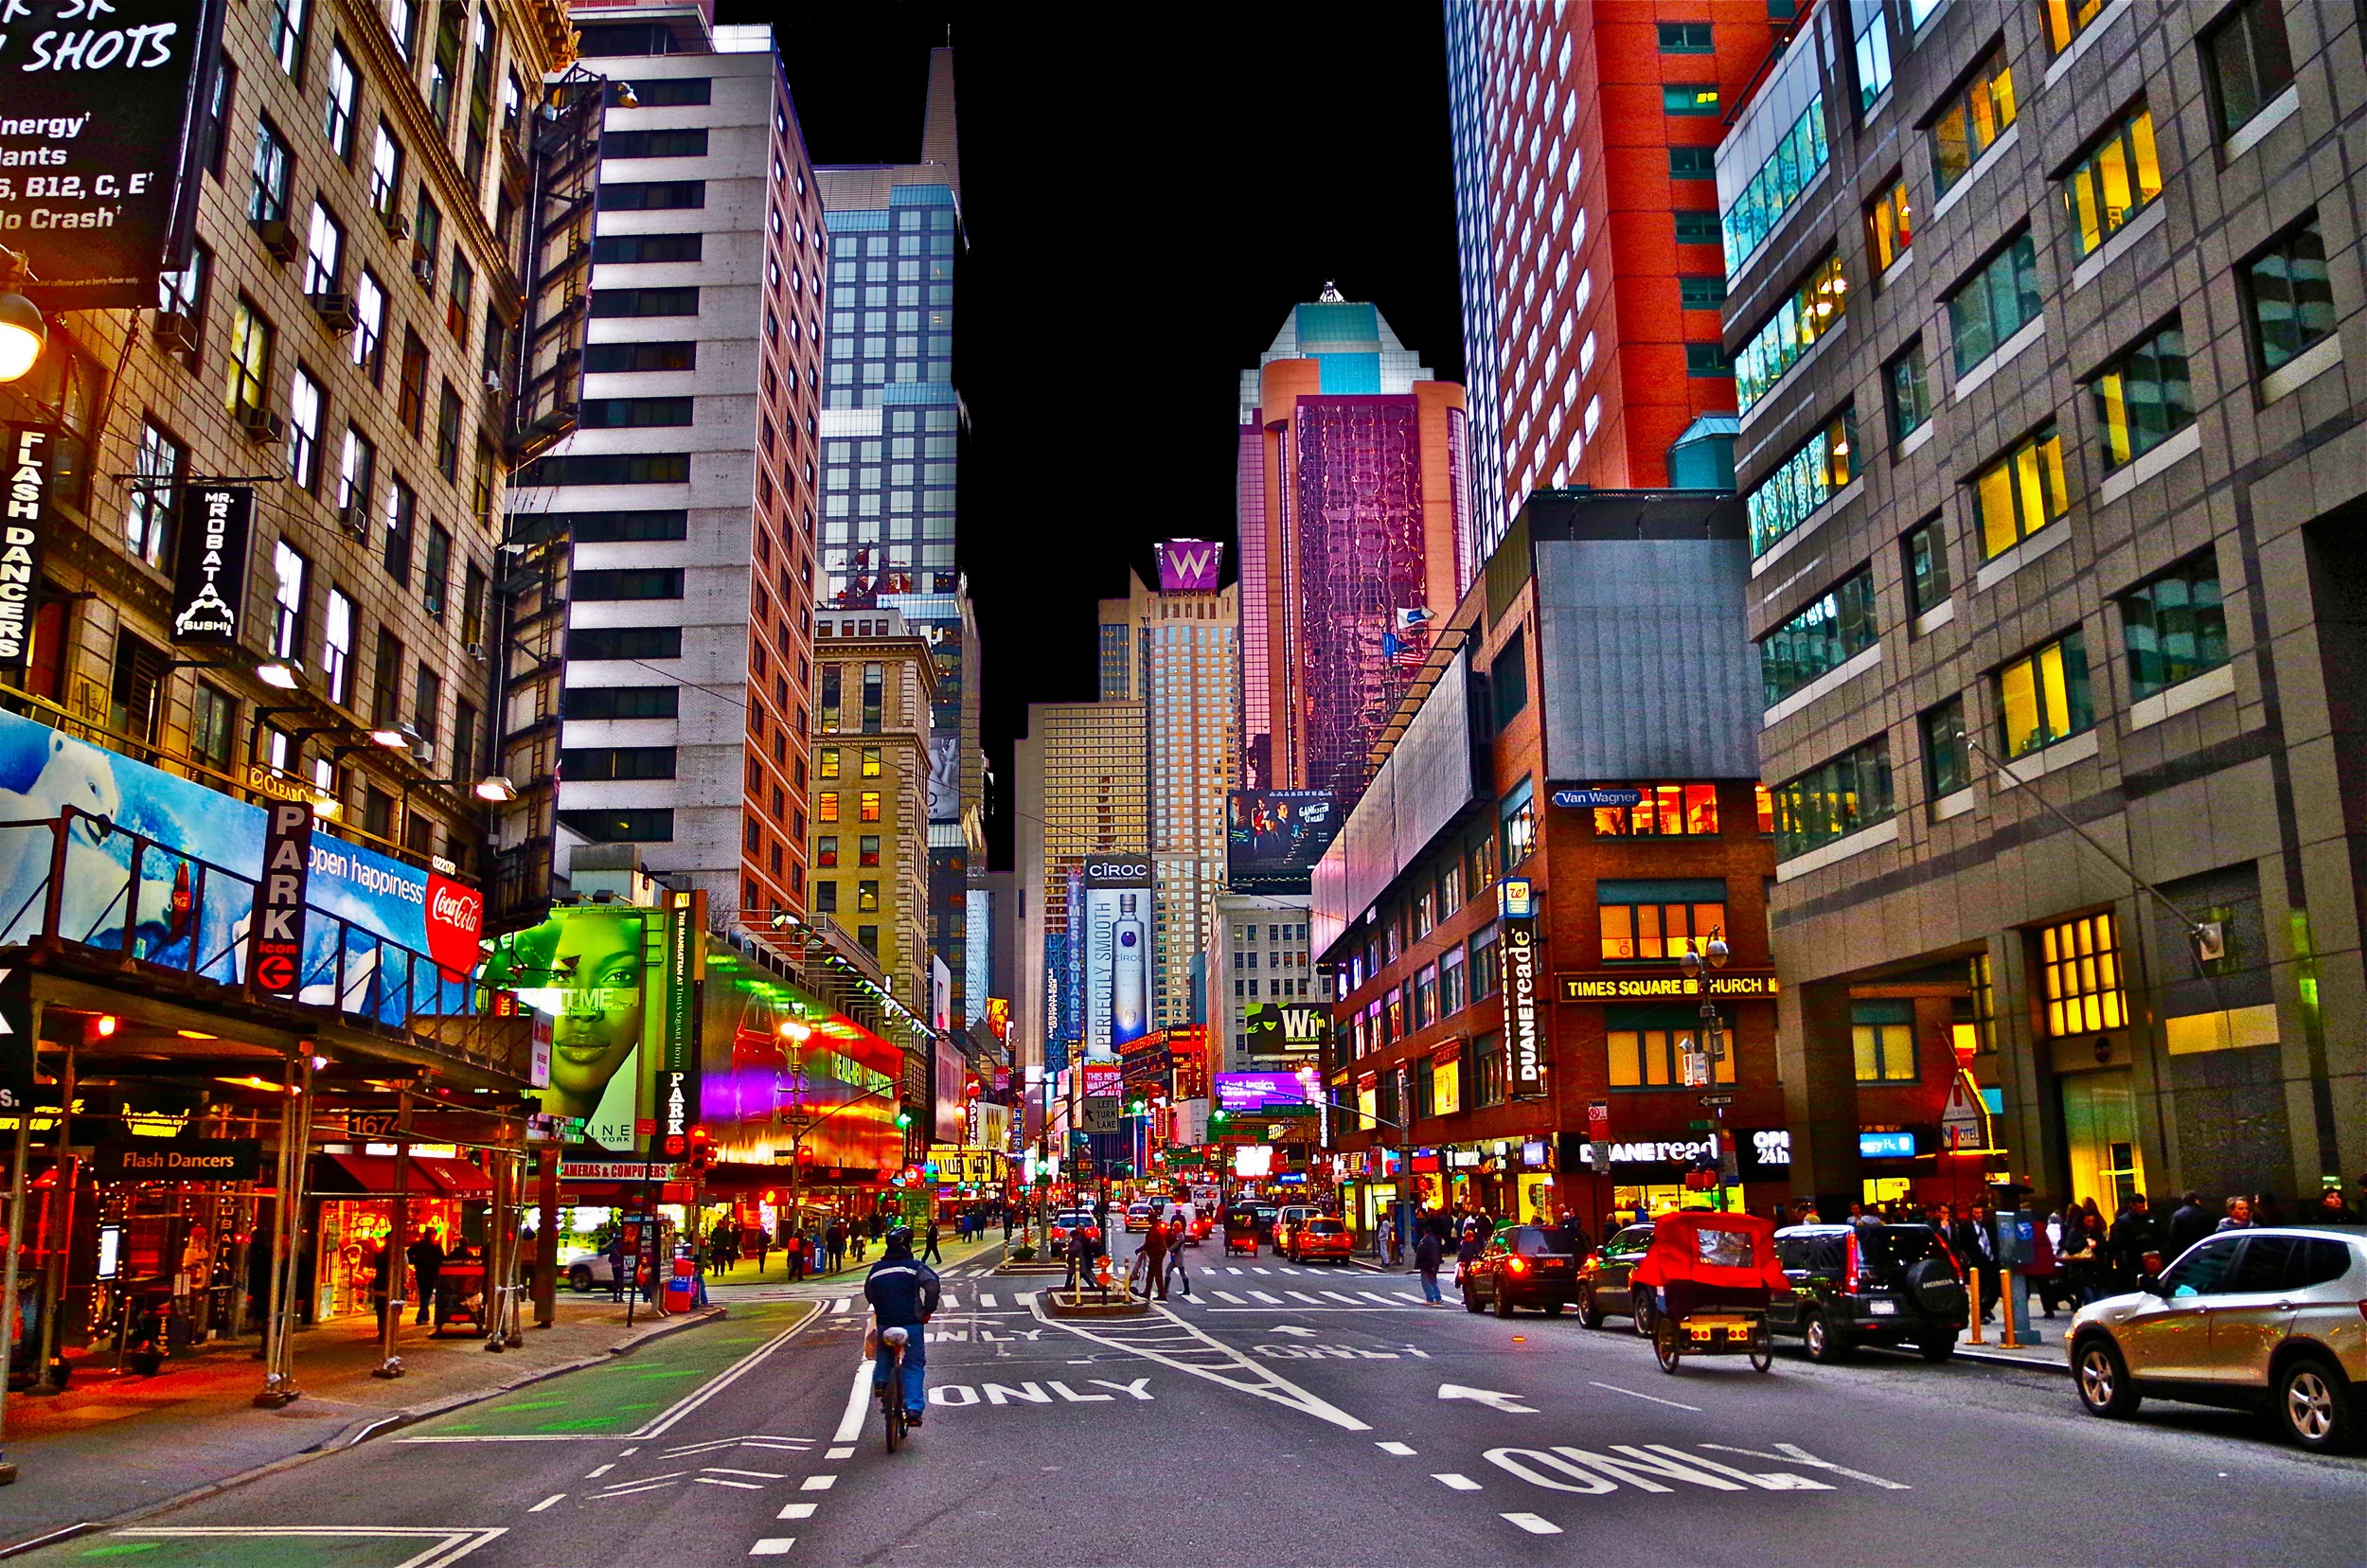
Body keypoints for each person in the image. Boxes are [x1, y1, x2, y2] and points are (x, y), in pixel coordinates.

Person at [863, 1226, 940, 1429]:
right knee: (913, 1365)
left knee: (884, 1351)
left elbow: (869, 1292)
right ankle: (913, 1409)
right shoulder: (914, 1267)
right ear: (908, 1244)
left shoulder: (876, 1269)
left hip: (886, 1322)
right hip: (911, 1323)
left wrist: (880, 1307)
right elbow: (932, 1284)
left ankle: (880, 1382)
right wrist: (927, 1309)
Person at [2106, 1194, 2159, 1292]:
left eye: (2143, 1206)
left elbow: (2160, 1234)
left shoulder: (2150, 1218)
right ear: (2132, 1206)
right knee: (2133, 1286)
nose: (2141, 1209)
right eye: (2139, 1207)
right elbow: (2118, 1242)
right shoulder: (2124, 1221)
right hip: (2131, 1260)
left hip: (2150, 1258)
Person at [407, 1225, 444, 1326]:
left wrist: (416, 1261)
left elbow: (408, 1255)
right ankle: (422, 1316)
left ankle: (423, 1316)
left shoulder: (419, 1245)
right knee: (426, 1295)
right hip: (431, 1273)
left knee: (424, 1295)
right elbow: (442, 1260)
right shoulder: (436, 1247)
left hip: (422, 1272)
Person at [2164, 1192, 2213, 1258]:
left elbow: (2173, 1234)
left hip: (2184, 1252)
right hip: (2203, 1249)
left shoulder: (2177, 1215)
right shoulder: (2206, 1213)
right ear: (2196, 1200)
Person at [1141, 1213, 1170, 1300]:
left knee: (1157, 1274)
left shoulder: (1154, 1229)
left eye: (1149, 1218)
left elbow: (1150, 1241)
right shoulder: (1157, 1227)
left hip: (1156, 1255)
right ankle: (1147, 1292)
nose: (1148, 1220)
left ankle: (1161, 1294)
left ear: (1152, 1219)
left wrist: (1140, 1249)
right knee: (1151, 1274)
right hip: (1157, 1253)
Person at [1414, 1224, 1445, 1305]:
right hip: (1431, 1264)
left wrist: (1431, 1265)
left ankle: (1430, 1299)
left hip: (1427, 1264)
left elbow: (1425, 1253)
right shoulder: (1433, 1240)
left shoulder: (1426, 1241)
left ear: (1425, 1231)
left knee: (1426, 1282)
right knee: (1433, 1281)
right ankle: (1438, 1298)